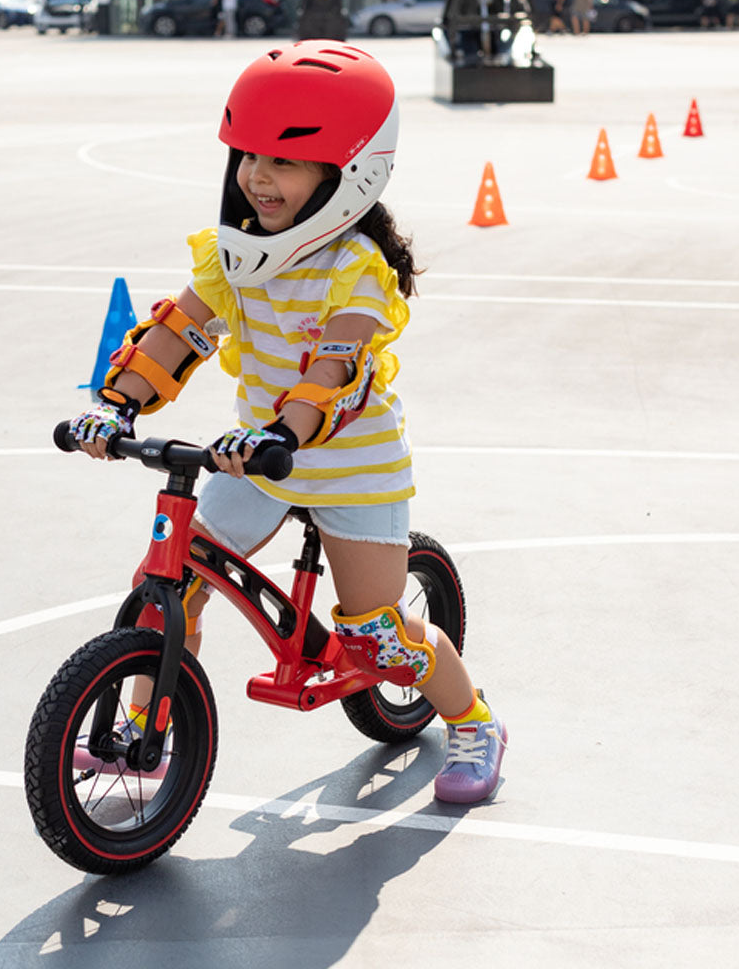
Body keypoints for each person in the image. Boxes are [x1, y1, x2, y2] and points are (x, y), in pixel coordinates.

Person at [67, 42, 507, 805]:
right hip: (253, 462)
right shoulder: (230, 257)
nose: (256, 178)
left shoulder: (356, 270)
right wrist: (118, 404)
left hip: (346, 464)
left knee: (378, 636)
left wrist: (288, 432)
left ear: (348, 177)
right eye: (247, 157)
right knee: (161, 589)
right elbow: (180, 333)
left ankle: (473, 721)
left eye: (284, 163)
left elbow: (332, 368)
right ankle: (150, 730)